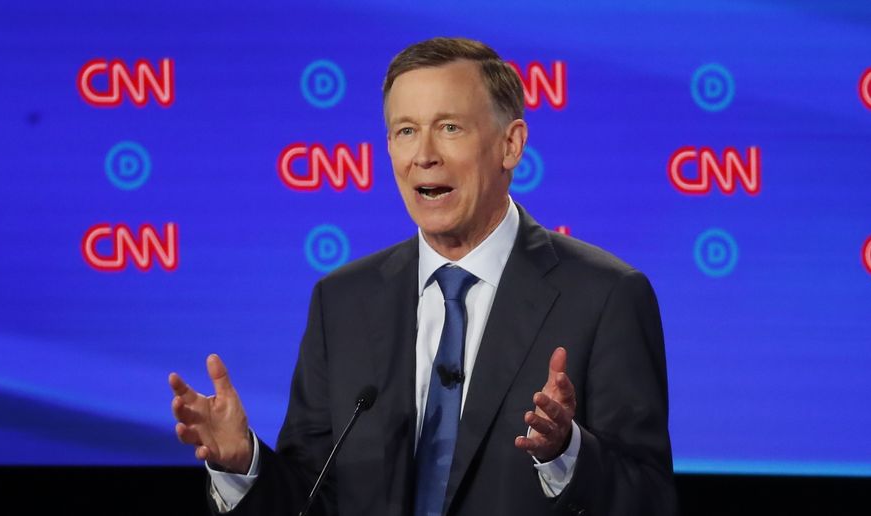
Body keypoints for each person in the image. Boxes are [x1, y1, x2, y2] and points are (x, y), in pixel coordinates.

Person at [169, 37, 677, 516]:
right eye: (406, 131)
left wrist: (567, 454)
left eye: (450, 127)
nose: (424, 154)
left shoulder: (605, 297)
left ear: (511, 144)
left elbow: (650, 498)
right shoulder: (342, 301)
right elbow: (313, 497)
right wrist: (243, 464)